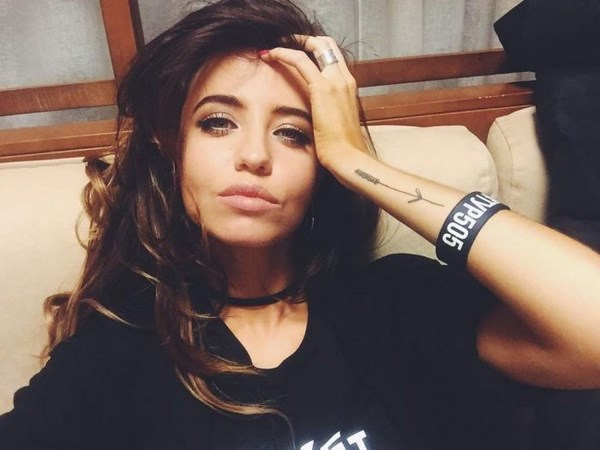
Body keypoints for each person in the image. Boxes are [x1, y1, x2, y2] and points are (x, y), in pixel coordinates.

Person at [1, 0, 600, 449]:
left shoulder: (394, 303)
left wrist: (359, 163)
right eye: (217, 123)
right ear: (172, 148)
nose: (254, 156)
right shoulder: (119, 350)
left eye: (293, 133)